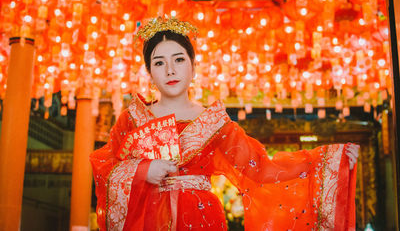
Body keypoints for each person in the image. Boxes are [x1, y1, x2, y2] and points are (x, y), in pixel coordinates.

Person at [90, 17, 360, 231]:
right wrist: (143, 170)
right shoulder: (133, 117)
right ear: (149, 73)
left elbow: (262, 169)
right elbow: (106, 166)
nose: (170, 70)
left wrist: (330, 159)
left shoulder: (215, 123)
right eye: (159, 63)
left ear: (193, 67)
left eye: (179, 60)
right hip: (147, 220)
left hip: (202, 219)